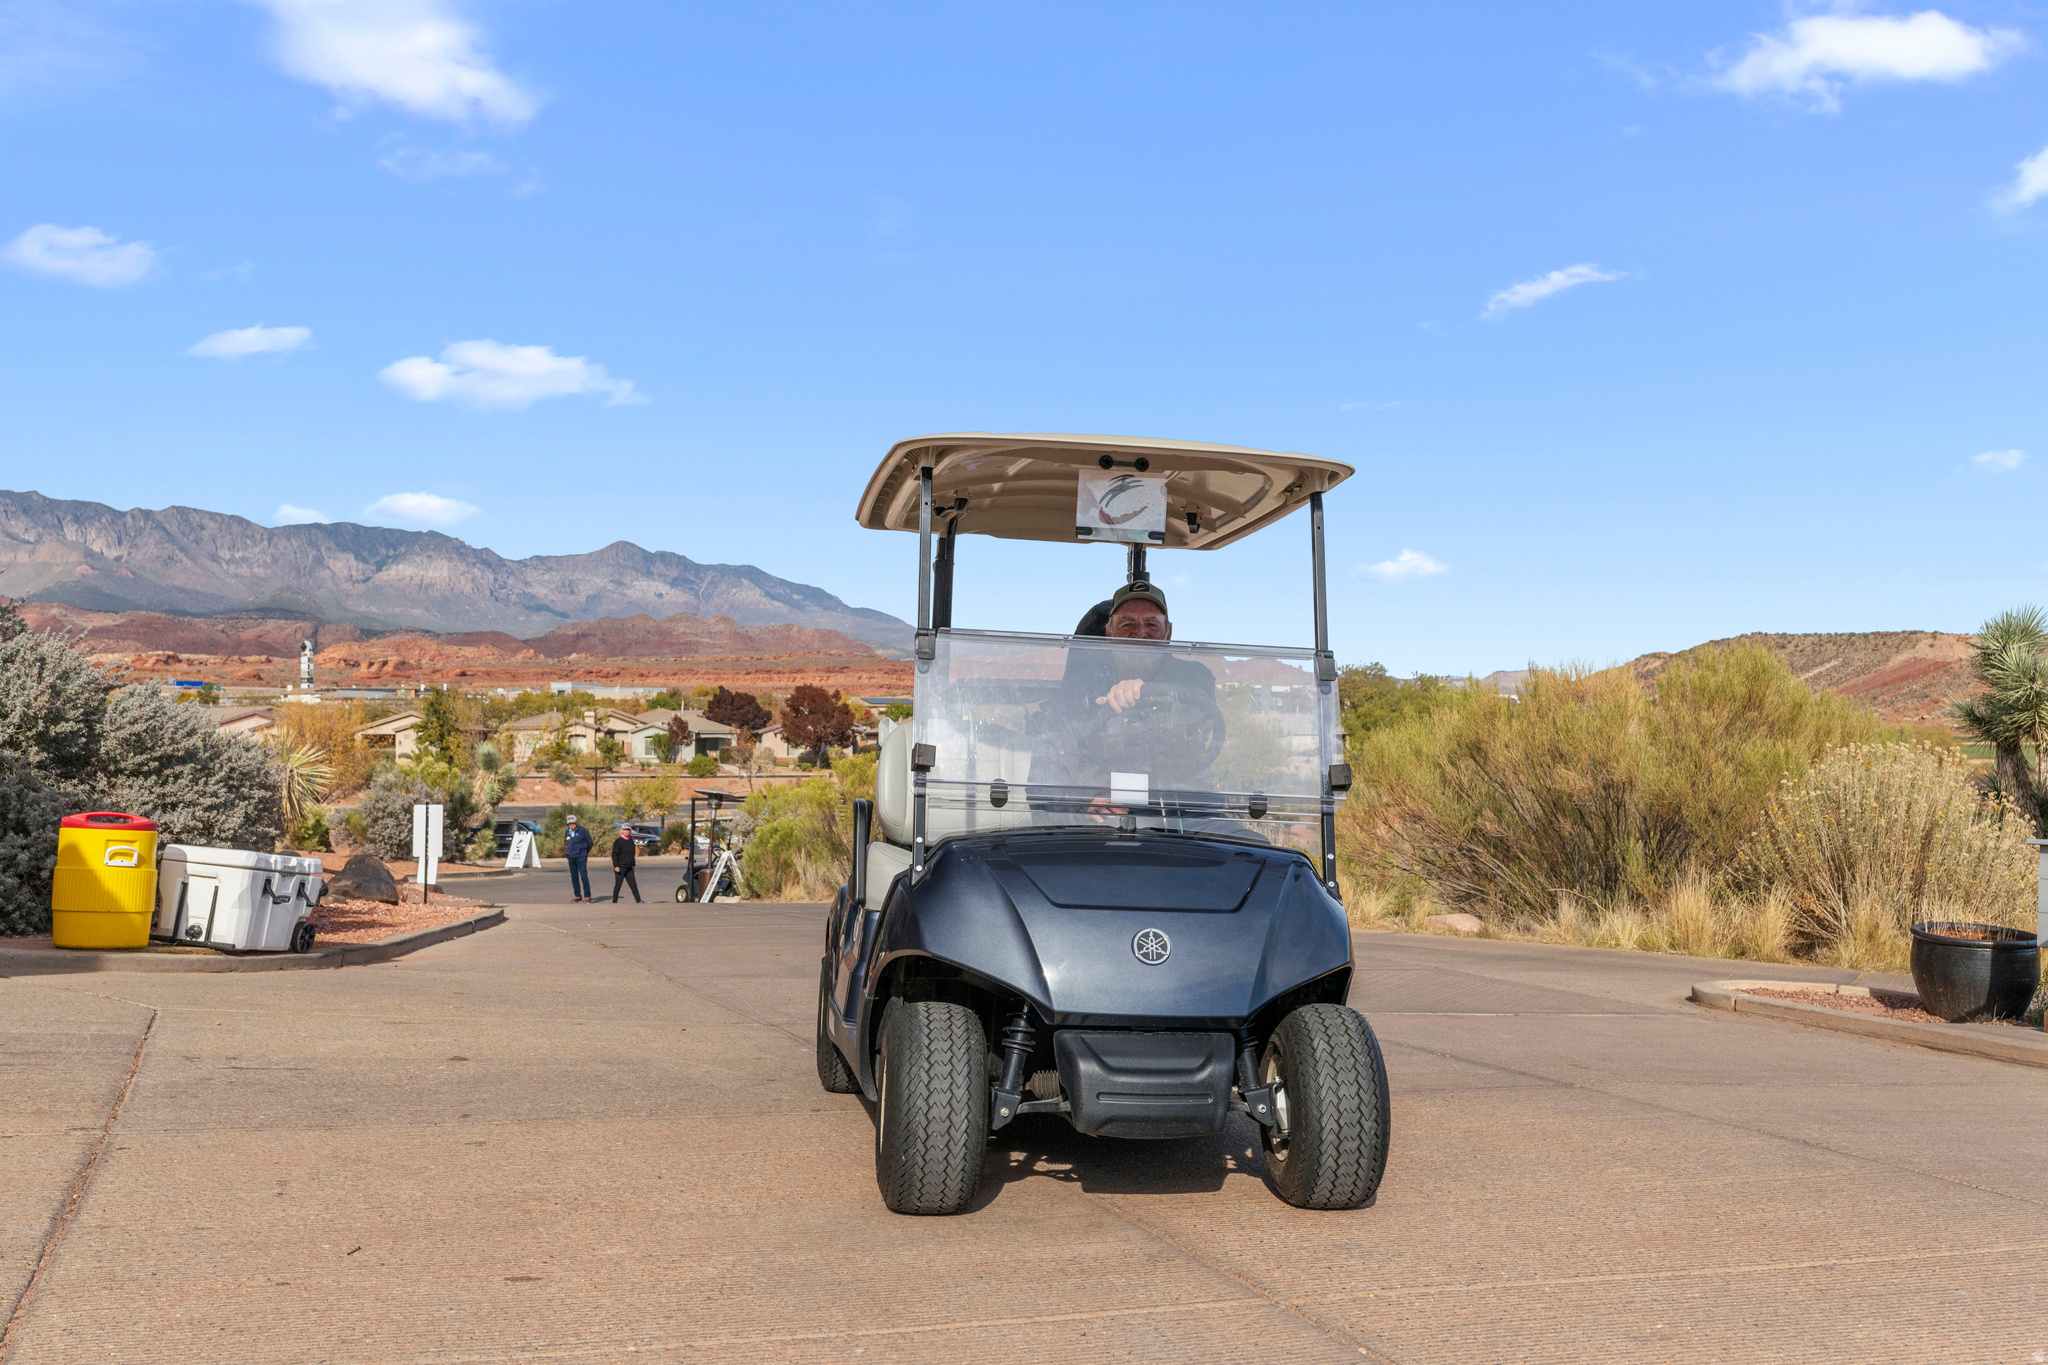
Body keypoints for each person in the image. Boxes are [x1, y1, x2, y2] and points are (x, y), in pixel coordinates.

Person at [610, 823, 642, 903]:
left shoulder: (631, 841)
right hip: (621, 867)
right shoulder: (618, 842)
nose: (627, 831)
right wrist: (616, 866)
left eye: (628, 830)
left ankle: (638, 900)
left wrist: (633, 865)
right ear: (622, 831)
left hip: (629, 867)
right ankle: (614, 901)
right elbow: (614, 855)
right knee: (618, 885)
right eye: (625, 830)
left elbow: (632, 854)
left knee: (633, 885)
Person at [564, 813, 593, 902]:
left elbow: (590, 843)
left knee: (583, 875)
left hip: (581, 856)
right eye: (570, 823)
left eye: (573, 823)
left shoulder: (583, 831)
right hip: (571, 856)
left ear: (576, 822)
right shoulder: (567, 832)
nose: (572, 825)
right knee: (574, 876)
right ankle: (577, 895)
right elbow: (567, 843)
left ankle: (587, 896)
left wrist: (584, 852)